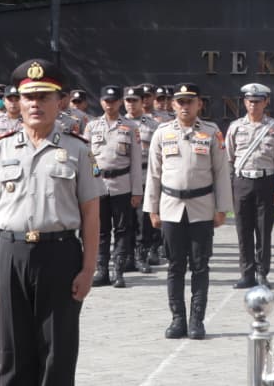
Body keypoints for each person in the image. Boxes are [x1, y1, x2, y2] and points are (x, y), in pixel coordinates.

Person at [0, 58, 101, 386]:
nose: (35, 104)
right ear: (16, 102)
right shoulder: (1, 149)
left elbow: (91, 213)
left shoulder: (78, 150)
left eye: (44, 97)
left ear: (60, 102)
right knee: (13, 349)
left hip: (59, 254)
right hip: (11, 252)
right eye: (28, 97)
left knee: (57, 349)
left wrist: (89, 270)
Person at [144, 83, 232, 340]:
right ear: (173, 105)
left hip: (201, 209)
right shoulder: (162, 133)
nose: (184, 106)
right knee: (175, 266)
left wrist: (222, 208)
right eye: (180, 102)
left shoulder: (211, 132)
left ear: (199, 104)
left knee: (200, 266)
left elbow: (221, 173)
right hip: (171, 208)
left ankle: (197, 320)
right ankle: (178, 319)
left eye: (189, 102)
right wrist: (152, 208)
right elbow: (153, 173)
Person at [226, 82, 274, 289]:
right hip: (241, 181)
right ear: (245, 102)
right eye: (250, 101)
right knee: (243, 230)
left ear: (266, 102)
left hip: (266, 181)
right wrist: (228, 188)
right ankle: (247, 273)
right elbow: (227, 159)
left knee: (263, 230)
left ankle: (262, 273)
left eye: (258, 101)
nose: (253, 105)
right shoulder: (235, 127)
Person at [84, 85, 143, 288]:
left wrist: (137, 191)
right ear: (101, 102)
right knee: (100, 230)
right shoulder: (91, 127)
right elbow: (87, 157)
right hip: (98, 185)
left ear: (120, 102)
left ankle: (118, 271)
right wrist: (89, 183)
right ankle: (102, 271)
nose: (110, 104)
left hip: (122, 185)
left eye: (114, 101)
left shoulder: (131, 127)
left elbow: (136, 162)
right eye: (106, 101)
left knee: (122, 229)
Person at [125, 86, 162, 272]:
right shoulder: (119, 124)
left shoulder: (154, 125)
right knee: (125, 220)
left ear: (143, 102)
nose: (131, 104)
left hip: (146, 175)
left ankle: (141, 255)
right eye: (128, 100)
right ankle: (127, 257)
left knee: (143, 219)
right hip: (124, 177)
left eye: (135, 100)